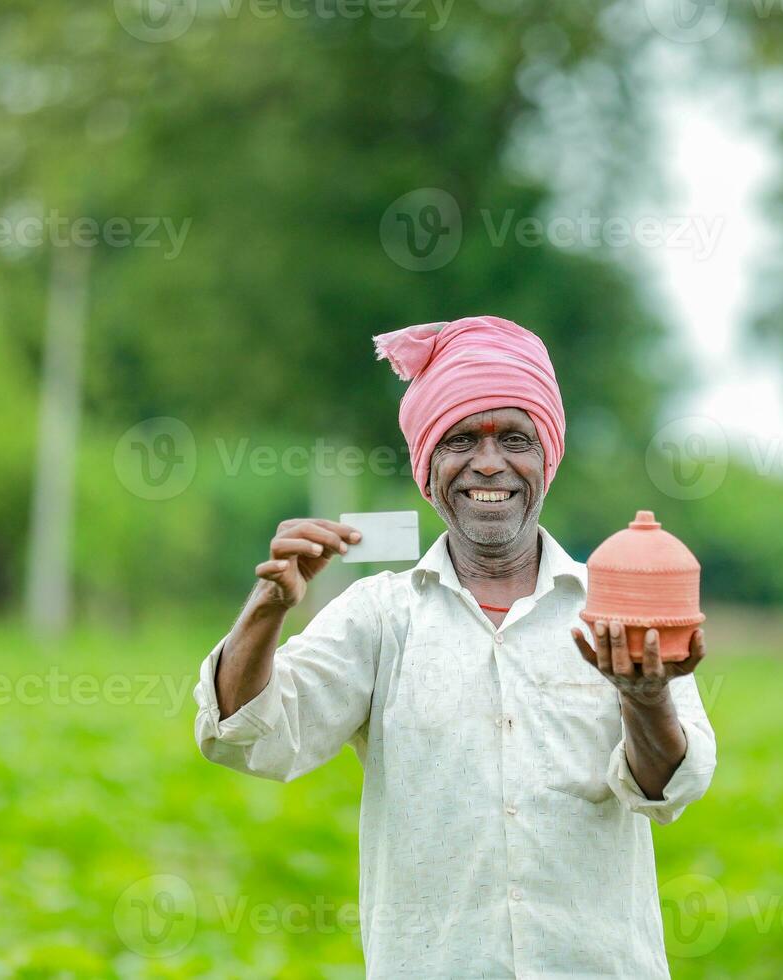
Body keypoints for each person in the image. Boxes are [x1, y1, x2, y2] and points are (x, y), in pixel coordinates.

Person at [193, 314, 716, 978]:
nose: (489, 463)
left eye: (515, 439)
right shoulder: (380, 618)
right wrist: (267, 610)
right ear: (428, 468)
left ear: (546, 459)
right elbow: (245, 737)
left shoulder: (616, 603)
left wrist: (645, 701)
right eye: (461, 438)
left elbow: (667, 791)